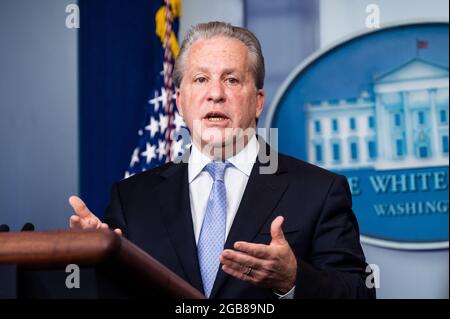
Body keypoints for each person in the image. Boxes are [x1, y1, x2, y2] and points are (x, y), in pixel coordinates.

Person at [69, 21, 376, 299]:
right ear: (180, 101)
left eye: (231, 80)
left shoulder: (319, 191)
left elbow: (360, 294)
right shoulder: (131, 198)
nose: (215, 93)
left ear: (257, 102)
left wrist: (293, 280)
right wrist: (102, 259)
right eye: (201, 79)